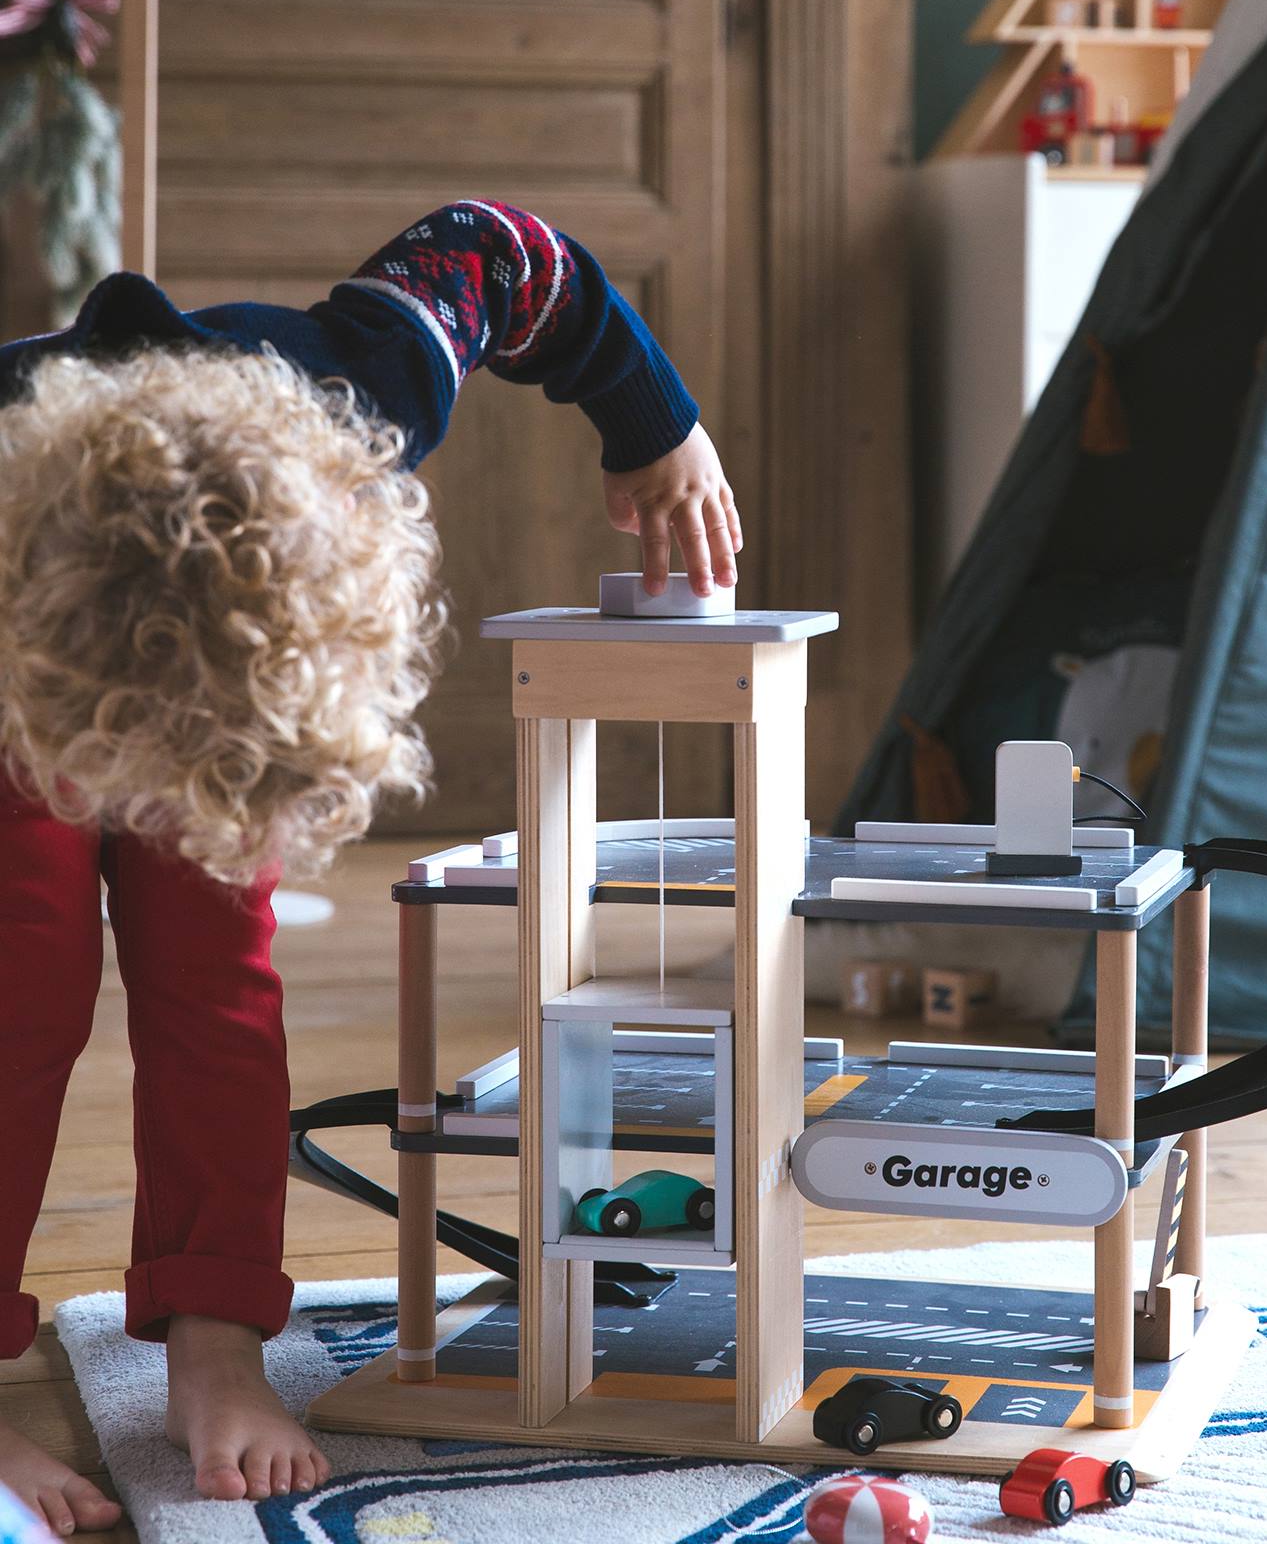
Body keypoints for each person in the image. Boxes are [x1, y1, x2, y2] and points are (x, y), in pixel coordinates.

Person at [0, 200, 742, 1533]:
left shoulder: (364, 390)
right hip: (23, 668)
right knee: (16, 992)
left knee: (215, 982)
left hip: (214, 663)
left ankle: (216, 1336)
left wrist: (655, 423)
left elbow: (511, 254)